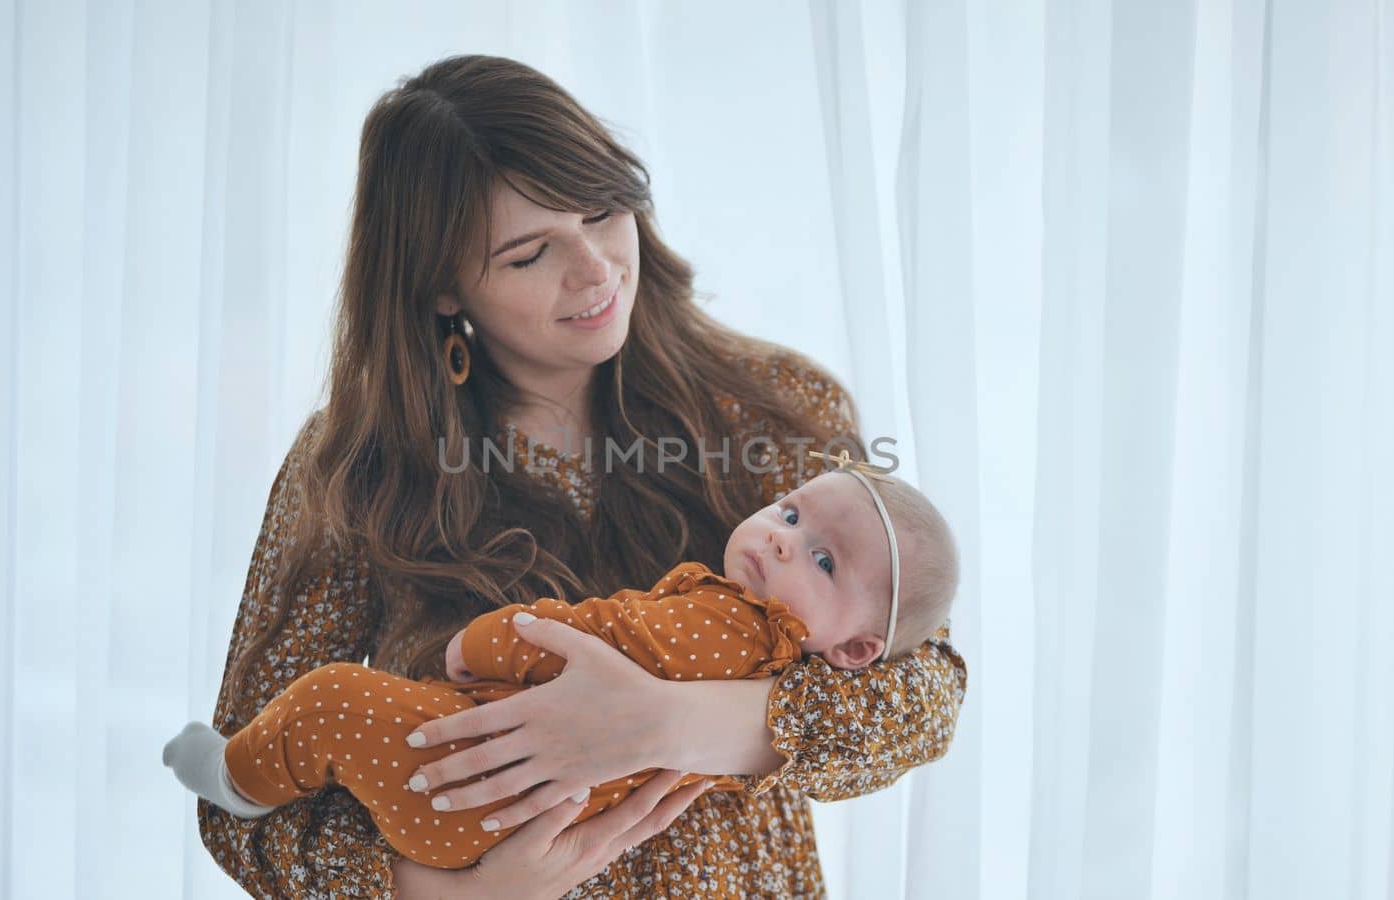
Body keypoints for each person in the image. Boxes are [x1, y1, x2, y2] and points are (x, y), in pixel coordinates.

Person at [197, 53, 967, 898]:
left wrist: (671, 724)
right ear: (441, 288)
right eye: (530, 254)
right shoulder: (355, 470)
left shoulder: (772, 408)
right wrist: (448, 896)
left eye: (603, 213)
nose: (596, 269)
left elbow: (921, 694)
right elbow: (241, 794)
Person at [168, 460, 959, 869]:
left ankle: (239, 776)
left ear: (856, 651)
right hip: (486, 825)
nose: (785, 537)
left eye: (821, 559)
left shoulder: (731, 625)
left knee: (331, 703)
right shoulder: (359, 458)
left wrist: (490, 641)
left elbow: (600, 637)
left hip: (476, 797)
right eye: (789, 513)